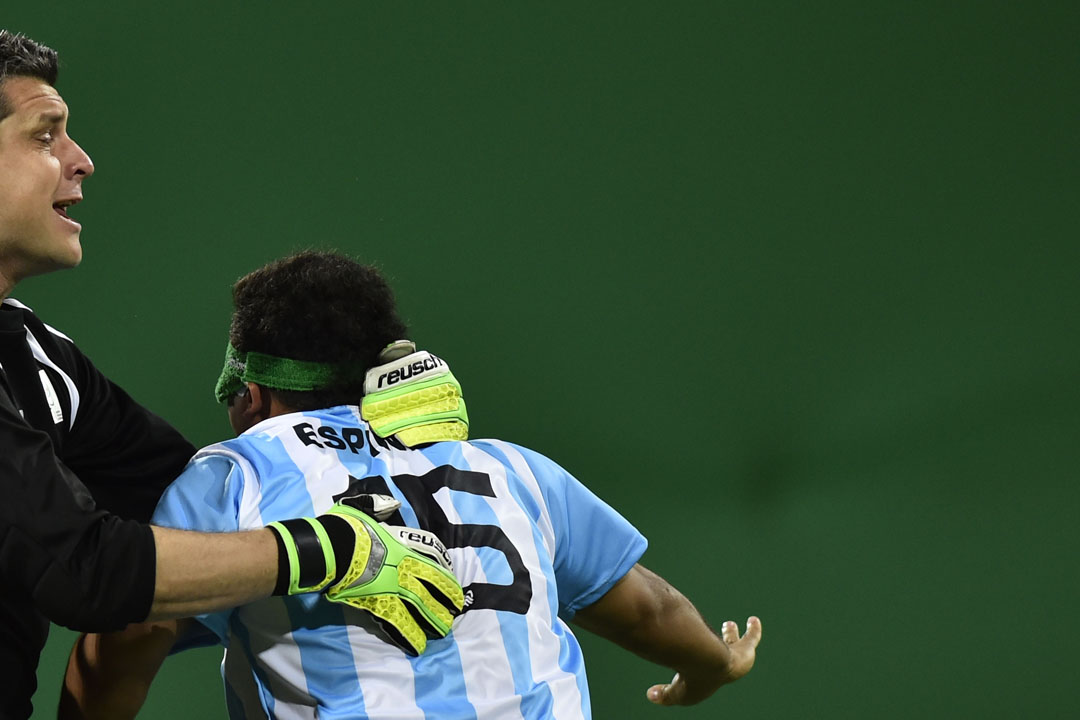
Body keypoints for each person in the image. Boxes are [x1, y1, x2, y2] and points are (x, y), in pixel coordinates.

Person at [63, 251, 762, 719]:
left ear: (249, 390)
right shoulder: (511, 469)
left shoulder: (234, 476)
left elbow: (133, 631)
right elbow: (652, 611)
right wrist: (711, 667)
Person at [0, 30, 462, 719]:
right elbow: (81, 568)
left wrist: (361, 428)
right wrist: (327, 547)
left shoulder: (32, 352)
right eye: (45, 136)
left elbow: (207, 506)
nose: (82, 161)